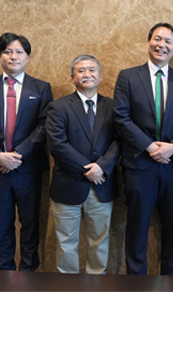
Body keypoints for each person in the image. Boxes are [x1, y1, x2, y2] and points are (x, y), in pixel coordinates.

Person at [114, 22, 173, 275]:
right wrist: (150, 146)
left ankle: (170, 282)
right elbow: (121, 118)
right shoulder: (128, 76)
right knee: (137, 228)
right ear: (149, 42)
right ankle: (136, 285)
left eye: (168, 41)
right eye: (157, 39)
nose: (162, 45)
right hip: (139, 165)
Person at [0, 33, 52, 271]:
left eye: (19, 52)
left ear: (27, 57)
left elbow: (44, 125)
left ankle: (29, 272)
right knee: (3, 225)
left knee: (30, 224)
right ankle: (4, 272)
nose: (13, 56)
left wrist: (17, 155)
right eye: (7, 51)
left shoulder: (41, 88)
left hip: (27, 168)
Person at [45, 55, 119, 274]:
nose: (87, 74)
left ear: (101, 76)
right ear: (72, 77)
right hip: (68, 186)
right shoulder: (58, 107)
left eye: (92, 70)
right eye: (81, 70)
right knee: (66, 243)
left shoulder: (113, 106)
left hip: (102, 185)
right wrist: (88, 170)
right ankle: (68, 289)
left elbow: (120, 141)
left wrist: (101, 167)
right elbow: (57, 144)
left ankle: (96, 286)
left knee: (99, 241)